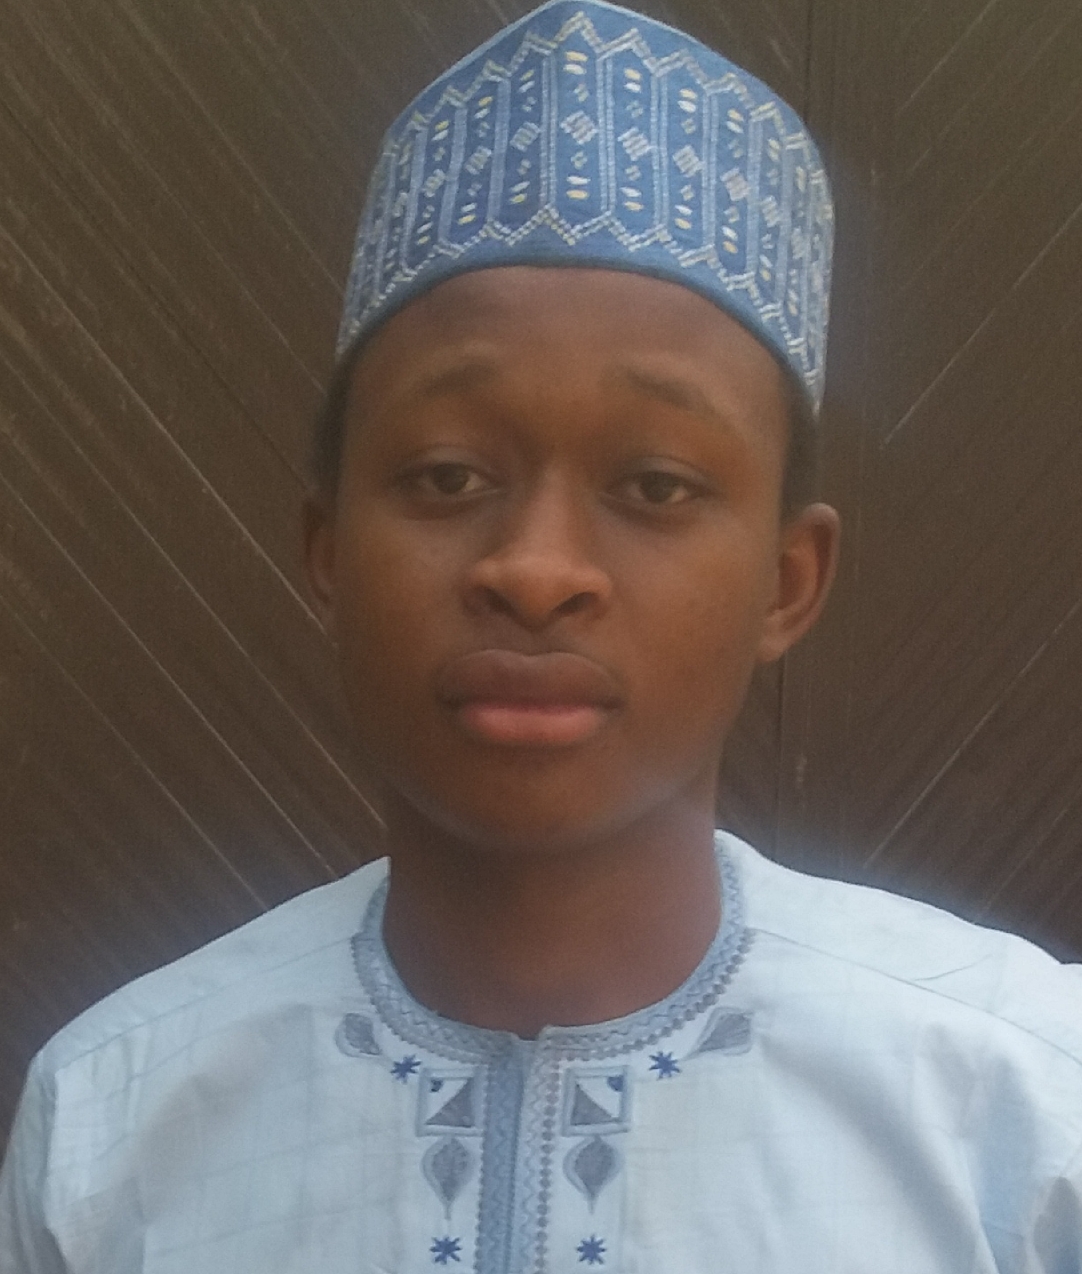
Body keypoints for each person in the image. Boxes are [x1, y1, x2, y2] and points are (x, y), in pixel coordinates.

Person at [2, 1, 1081, 1270]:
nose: (534, 569)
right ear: (328, 552)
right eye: (447, 475)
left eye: (655, 484)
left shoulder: (1022, 1107)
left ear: (786, 582)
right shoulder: (114, 1122)